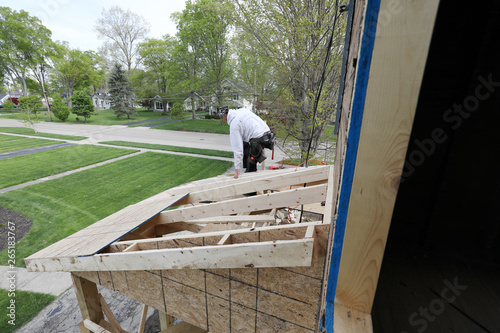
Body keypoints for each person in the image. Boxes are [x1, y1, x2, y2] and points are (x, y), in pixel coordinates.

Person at [219, 106, 275, 179]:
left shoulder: (234, 125)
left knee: (250, 171)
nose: (222, 120)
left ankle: (251, 187)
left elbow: (237, 148)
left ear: (224, 115)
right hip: (268, 135)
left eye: (221, 117)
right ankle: (247, 167)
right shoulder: (242, 111)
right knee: (245, 145)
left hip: (258, 140)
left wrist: (237, 169)